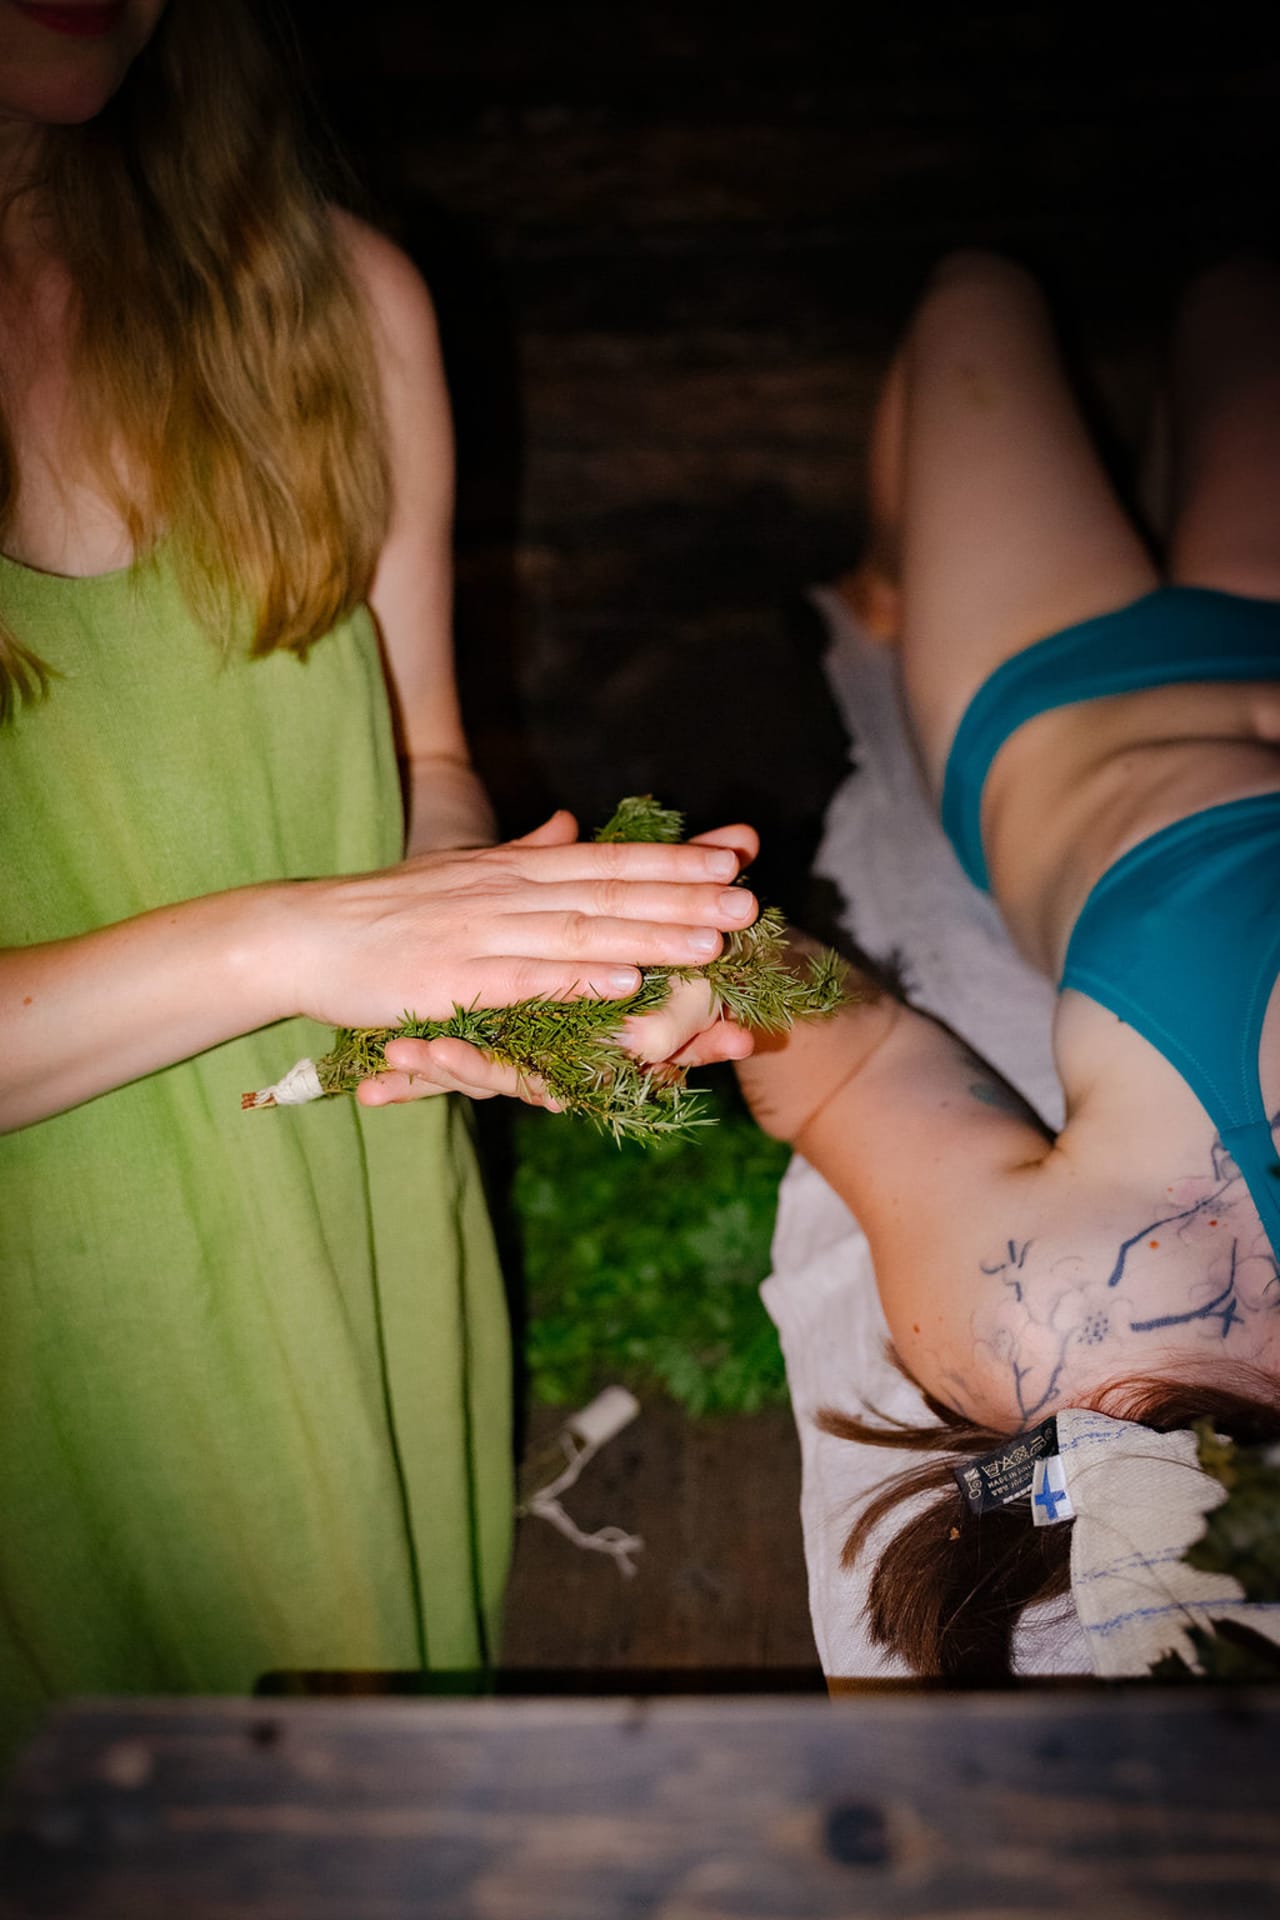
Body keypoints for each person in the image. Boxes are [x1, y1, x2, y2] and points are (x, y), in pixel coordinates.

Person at [0, 0, 758, 1761]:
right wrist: (300, 940)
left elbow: (425, 768)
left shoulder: (333, 296)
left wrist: (517, 959)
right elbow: (321, 930)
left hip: (343, 1249)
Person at [736, 249, 1280, 1677]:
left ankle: (891, 585)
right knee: (1236, 299)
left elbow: (853, 1056)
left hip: (1067, 689)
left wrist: (710, 973)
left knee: (980, 296)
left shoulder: (1053, 1330)